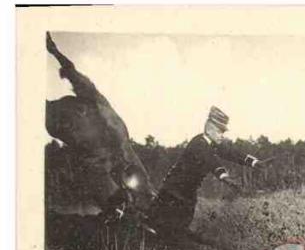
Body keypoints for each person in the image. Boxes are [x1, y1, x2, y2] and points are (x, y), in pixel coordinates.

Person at [45, 32, 157, 217]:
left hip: (108, 155)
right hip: (89, 152)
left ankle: (134, 207)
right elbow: (75, 76)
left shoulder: (112, 124)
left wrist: (56, 52)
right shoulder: (89, 113)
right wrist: (56, 53)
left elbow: (74, 74)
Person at [148, 106, 264, 234]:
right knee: (162, 230)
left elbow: (231, 153)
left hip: (187, 195)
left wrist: (254, 162)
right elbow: (210, 160)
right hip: (172, 194)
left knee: (177, 233)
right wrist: (224, 177)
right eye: (220, 131)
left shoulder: (211, 144)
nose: (222, 136)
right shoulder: (199, 144)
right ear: (209, 129)